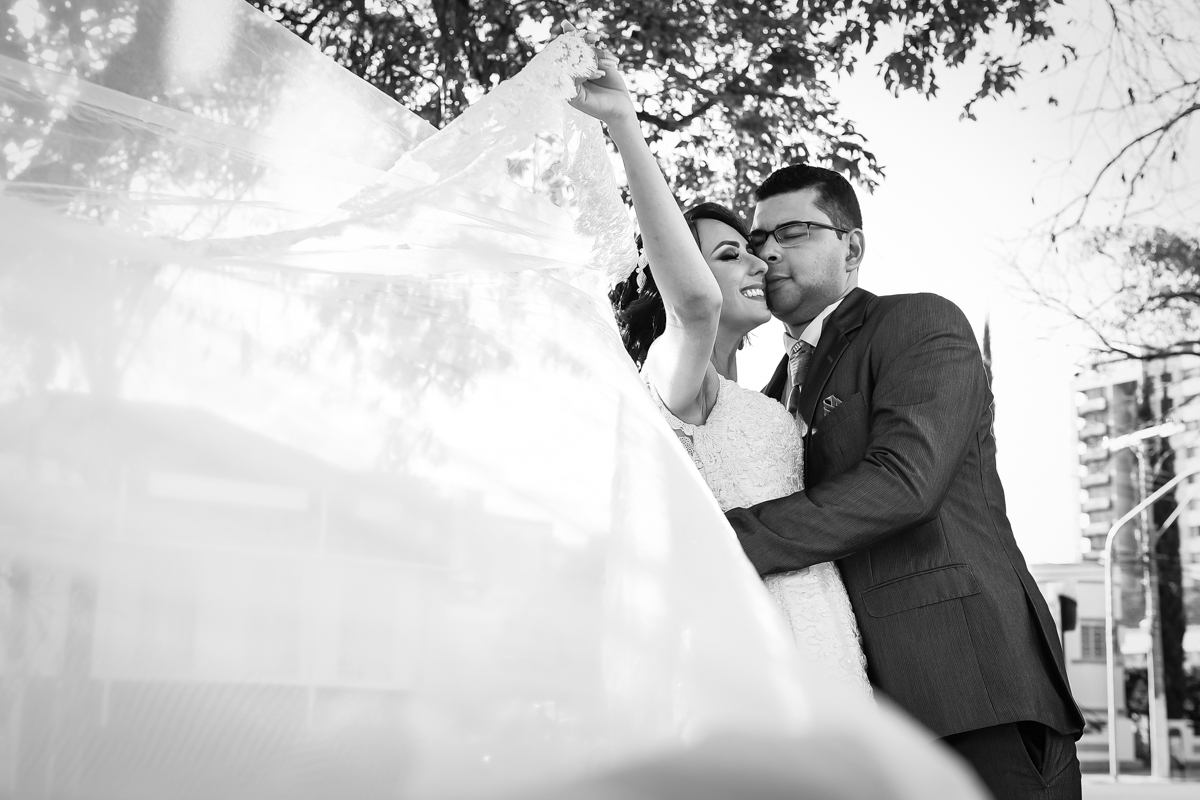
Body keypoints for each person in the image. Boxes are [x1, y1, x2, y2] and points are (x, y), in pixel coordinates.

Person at [725, 163, 1086, 798]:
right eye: (757, 240)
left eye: (795, 231)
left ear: (852, 246)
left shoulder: (917, 323)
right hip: (861, 705)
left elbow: (903, 482)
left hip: (968, 682)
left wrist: (723, 543)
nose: (770, 250)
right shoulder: (768, 395)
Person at [568, 36, 869, 697]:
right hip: (750, 660)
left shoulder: (761, 395)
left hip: (825, 646)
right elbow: (698, 307)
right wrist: (624, 126)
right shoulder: (676, 384)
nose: (760, 264)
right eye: (731, 253)